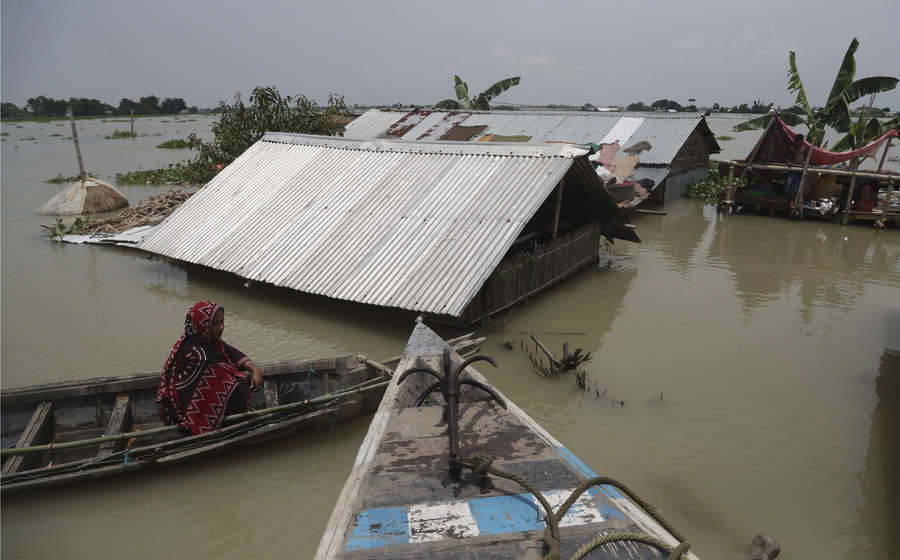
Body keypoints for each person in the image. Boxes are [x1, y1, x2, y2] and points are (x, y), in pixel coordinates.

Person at [157, 301, 263, 434]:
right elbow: (225, 378)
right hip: (186, 418)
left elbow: (231, 352)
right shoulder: (196, 353)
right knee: (240, 387)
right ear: (202, 325)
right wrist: (244, 378)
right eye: (215, 324)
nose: (221, 327)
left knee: (240, 380)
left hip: (193, 405)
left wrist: (254, 369)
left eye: (222, 321)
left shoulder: (205, 339)